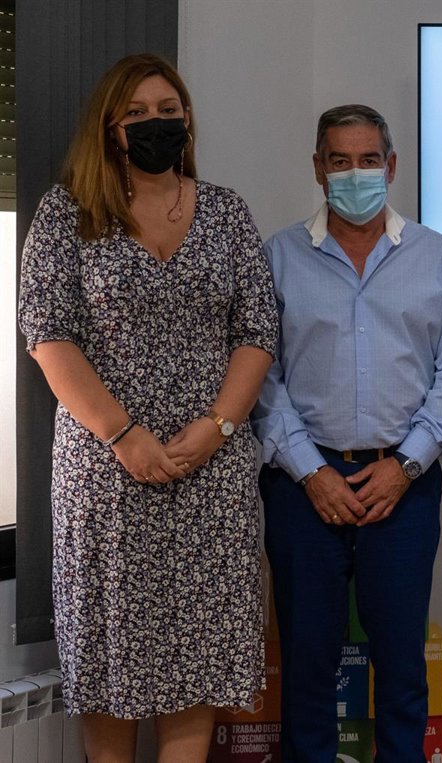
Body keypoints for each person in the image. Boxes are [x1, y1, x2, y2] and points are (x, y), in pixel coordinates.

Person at [16, 53, 278, 762]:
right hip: (107, 478)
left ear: (187, 119)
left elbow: (258, 331)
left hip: (210, 476)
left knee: (197, 667)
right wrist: (125, 436)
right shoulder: (67, 213)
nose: (155, 123)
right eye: (136, 113)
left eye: (168, 110)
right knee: (111, 667)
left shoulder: (225, 211)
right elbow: (47, 335)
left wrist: (218, 426)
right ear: (109, 127)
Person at [251, 104, 442, 762]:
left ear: (392, 166)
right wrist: (311, 471)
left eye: (369, 160)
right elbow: (262, 377)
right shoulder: (279, 256)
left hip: (404, 483)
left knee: (402, 666)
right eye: (340, 161)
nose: (356, 173)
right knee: (307, 665)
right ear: (318, 169)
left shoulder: (436, 257)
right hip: (302, 486)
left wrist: (404, 467)